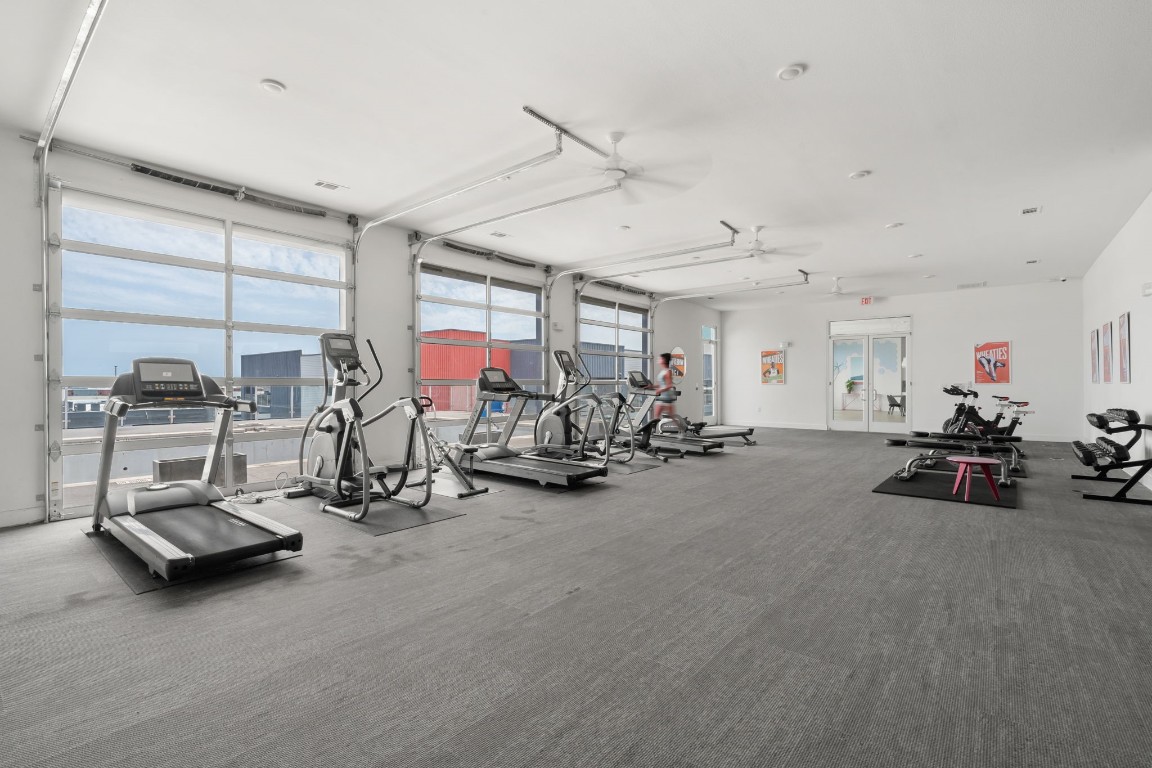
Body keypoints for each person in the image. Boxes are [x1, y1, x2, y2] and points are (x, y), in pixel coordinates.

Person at [651, 352, 686, 439]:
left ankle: (653, 434)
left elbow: (669, 385)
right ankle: (681, 430)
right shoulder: (663, 371)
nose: (658, 360)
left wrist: (660, 390)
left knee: (657, 417)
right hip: (663, 396)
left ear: (664, 360)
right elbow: (661, 385)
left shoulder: (668, 372)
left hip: (665, 397)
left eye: (660, 358)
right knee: (669, 416)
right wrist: (651, 386)